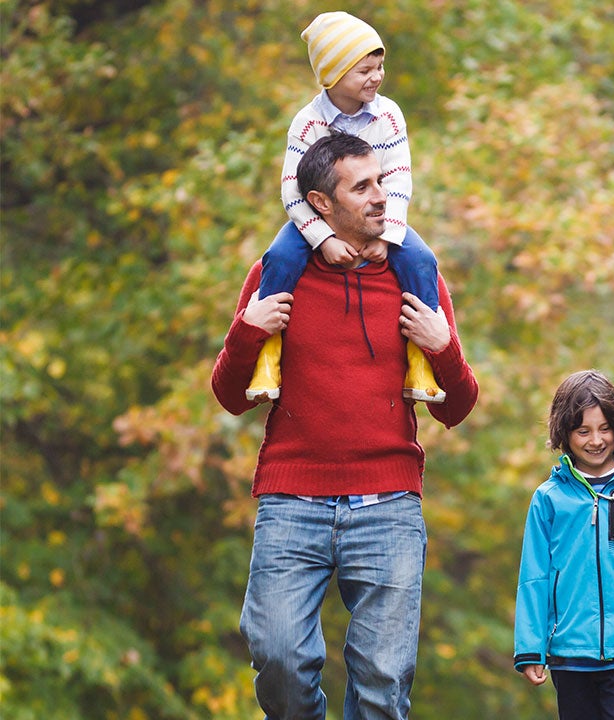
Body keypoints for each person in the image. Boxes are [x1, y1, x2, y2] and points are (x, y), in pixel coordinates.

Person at [211, 133, 478, 719]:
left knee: (383, 685)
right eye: (363, 187)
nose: (382, 197)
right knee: (278, 658)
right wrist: (248, 329)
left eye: (382, 181)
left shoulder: (417, 280)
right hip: (290, 502)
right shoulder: (276, 274)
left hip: (389, 507)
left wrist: (445, 349)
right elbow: (230, 397)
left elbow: (456, 408)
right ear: (321, 203)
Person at [246, 10, 445, 404]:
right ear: (332, 77)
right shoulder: (307, 123)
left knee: (421, 261)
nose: (376, 76)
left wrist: (388, 234)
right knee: (280, 257)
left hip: (380, 219)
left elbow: (399, 177)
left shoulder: (388, 115)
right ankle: (267, 354)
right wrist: (320, 239)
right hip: (313, 219)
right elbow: (292, 191)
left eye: (379, 66)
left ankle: (421, 360)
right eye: (364, 70)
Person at [514, 370, 614, 720]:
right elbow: (534, 578)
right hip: (570, 652)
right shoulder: (548, 499)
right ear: (564, 434)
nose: (595, 440)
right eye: (583, 431)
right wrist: (530, 648)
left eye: (605, 429)